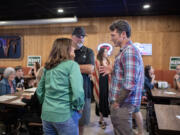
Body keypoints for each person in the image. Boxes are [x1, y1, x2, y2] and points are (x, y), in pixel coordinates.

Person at [99, 20, 144, 135]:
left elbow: (129, 84)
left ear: (123, 34)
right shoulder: (124, 51)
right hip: (122, 104)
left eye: (113, 35)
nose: (111, 38)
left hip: (123, 105)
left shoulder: (129, 52)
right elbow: (126, 75)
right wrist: (113, 71)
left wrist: (117, 103)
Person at [36, 38, 84, 135]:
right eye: (72, 47)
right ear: (66, 49)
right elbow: (78, 91)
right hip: (65, 114)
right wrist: (79, 106)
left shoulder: (48, 66)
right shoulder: (72, 65)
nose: (74, 48)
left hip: (47, 114)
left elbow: (39, 91)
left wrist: (46, 104)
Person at [71, 27, 95, 135]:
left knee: (81, 121)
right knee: (68, 121)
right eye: (78, 36)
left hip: (84, 90)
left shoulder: (89, 51)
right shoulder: (67, 51)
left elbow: (90, 68)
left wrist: (70, 67)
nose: (81, 39)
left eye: (83, 36)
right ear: (72, 37)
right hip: (68, 91)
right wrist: (82, 68)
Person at [93, 48, 110, 129]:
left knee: (105, 100)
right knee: (101, 101)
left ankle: (101, 119)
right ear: (102, 53)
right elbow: (94, 73)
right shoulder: (97, 61)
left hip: (107, 83)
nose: (107, 53)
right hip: (100, 83)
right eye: (105, 51)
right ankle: (102, 120)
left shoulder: (107, 61)